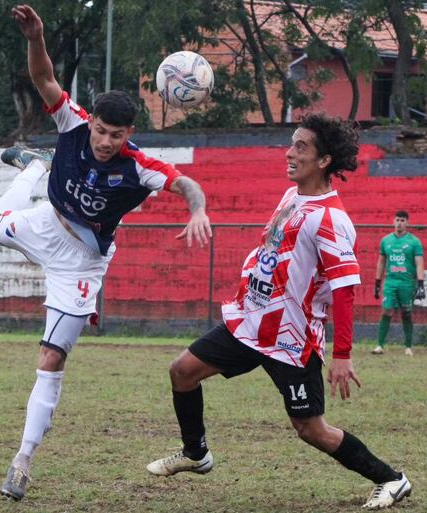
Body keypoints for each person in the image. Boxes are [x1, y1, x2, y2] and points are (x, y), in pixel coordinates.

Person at [0, 4, 212, 501]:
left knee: (51, 356)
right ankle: (34, 171)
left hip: (81, 259)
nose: (105, 141)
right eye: (101, 131)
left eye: (117, 135)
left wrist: (197, 208)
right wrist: (36, 38)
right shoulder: (73, 122)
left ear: (129, 134)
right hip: (47, 221)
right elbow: (43, 76)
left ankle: (21, 462)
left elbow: (185, 183)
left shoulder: (139, 166)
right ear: (93, 123)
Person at [146, 114, 412, 510]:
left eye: (301, 147)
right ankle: (195, 453)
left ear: (323, 161)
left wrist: (342, 355)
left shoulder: (330, 218)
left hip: (290, 340)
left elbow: (344, 290)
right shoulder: (292, 197)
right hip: (250, 322)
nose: (289, 152)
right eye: (292, 143)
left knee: (311, 429)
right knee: (182, 372)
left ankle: (392, 479)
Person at [372, 211, 425, 356]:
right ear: (393, 221)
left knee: (406, 313)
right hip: (390, 282)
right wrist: (377, 282)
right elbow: (381, 261)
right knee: (386, 309)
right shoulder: (386, 241)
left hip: (407, 283)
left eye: (402, 220)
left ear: (407, 223)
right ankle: (380, 345)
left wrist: (420, 284)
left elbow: (419, 263)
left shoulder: (414, 242)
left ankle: (408, 346)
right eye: (397, 220)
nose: (400, 223)